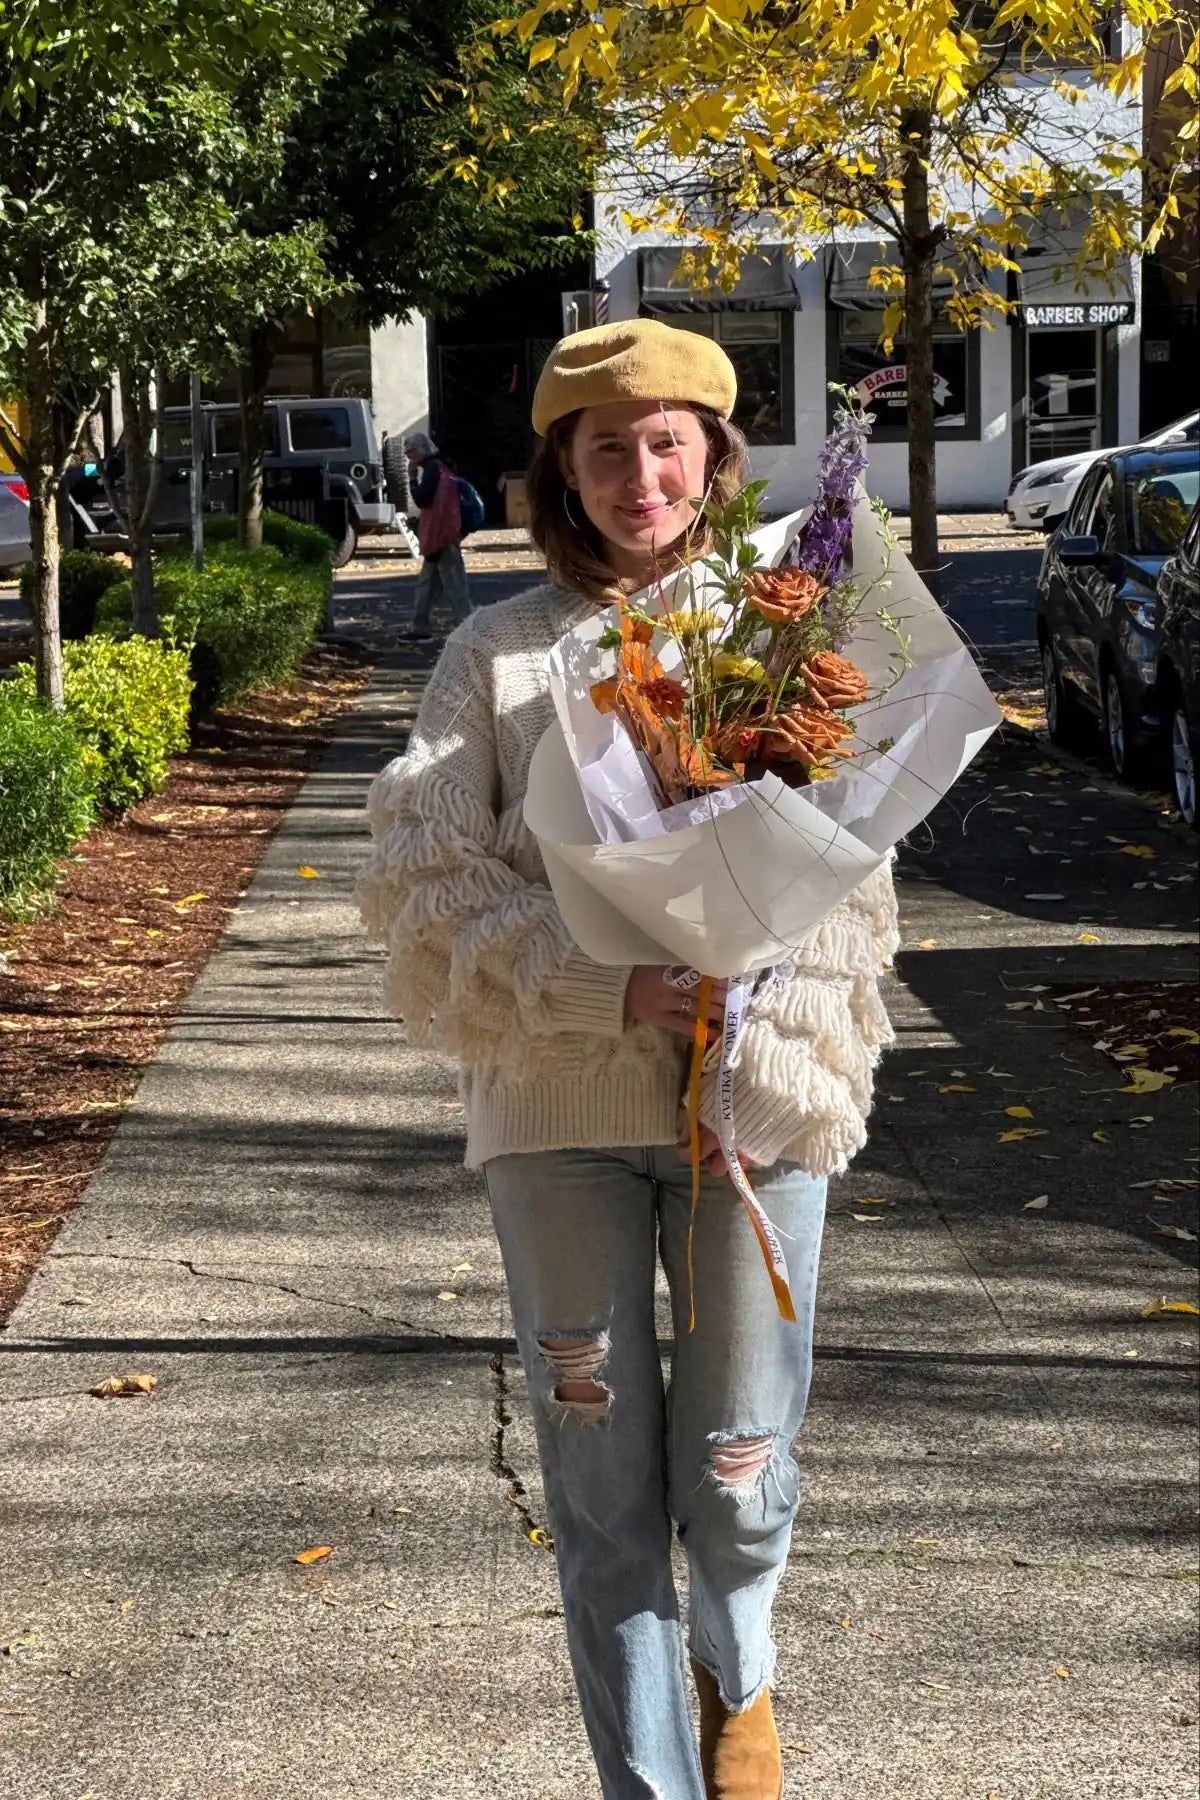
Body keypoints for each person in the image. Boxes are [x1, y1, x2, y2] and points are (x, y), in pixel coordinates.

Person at [357, 320, 898, 1800]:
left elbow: (860, 882)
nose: (639, 472)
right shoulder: (493, 653)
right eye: (608, 446)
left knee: (735, 1460)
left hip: (753, 1110)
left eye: (669, 443)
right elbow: (420, 878)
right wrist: (612, 980)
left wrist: (754, 999)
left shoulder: (794, 636)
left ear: (715, 464)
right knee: (599, 1493)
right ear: (563, 472)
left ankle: (742, 1675)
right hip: (558, 1116)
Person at [401, 431, 472, 638]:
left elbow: (423, 499)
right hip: (443, 532)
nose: (409, 457)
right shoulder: (444, 466)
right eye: (407, 453)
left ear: (424, 449)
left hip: (440, 534)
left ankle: (466, 624)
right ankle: (419, 624)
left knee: (452, 581)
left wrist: (412, 480)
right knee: (428, 581)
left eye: (412, 451)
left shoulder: (433, 468)